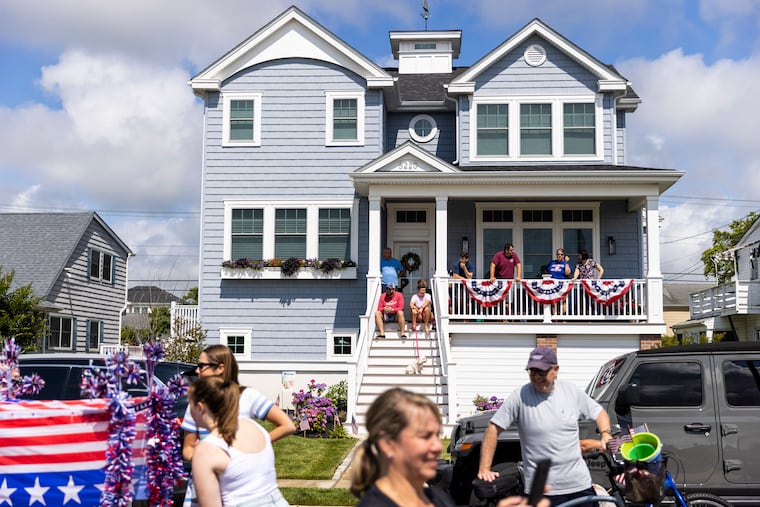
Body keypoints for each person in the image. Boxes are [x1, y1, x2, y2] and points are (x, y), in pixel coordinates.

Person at [477, 346, 613, 507]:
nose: (536, 377)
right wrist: (484, 468)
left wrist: (605, 434)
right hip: (542, 490)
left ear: (555, 370)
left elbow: (599, 413)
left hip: (579, 485)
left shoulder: (570, 391)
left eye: (541, 372)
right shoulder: (519, 397)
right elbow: (493, 428)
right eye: (532, 372)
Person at [181, 345, 296, 506]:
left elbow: (287, 425)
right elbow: (188, 448)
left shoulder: (247, 397)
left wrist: (244, 451)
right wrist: (207, 461)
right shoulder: (253, 428)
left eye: (201, 366)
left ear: (220, 368)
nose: (197, 371)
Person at [350, 388, 456, 507]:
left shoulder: (439, 498)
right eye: (425, 436)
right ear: (387, 443)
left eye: (437, 435)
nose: (438, 447)